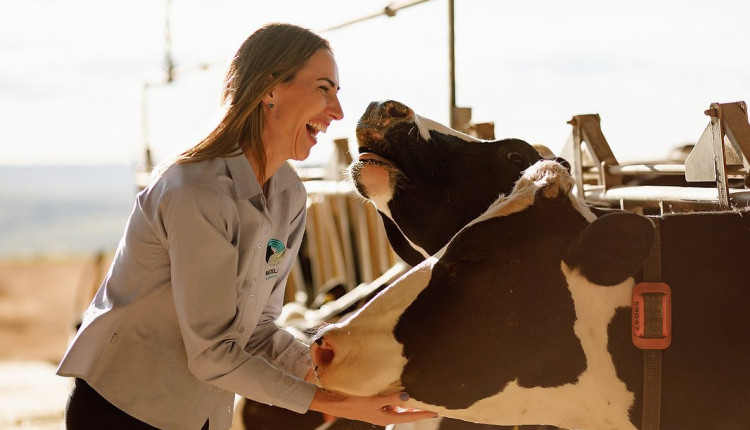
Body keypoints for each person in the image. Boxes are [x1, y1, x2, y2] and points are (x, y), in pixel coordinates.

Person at [57, 23, 436, 430]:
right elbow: (213, 353)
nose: (337, 112)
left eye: (337, 94)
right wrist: (331, 402)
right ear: (269, 89)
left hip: (198, 413)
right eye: (323, 89)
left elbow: (255, 330)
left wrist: (332, 374)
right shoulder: (197, 192)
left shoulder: (289, 195)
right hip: (121, 410)